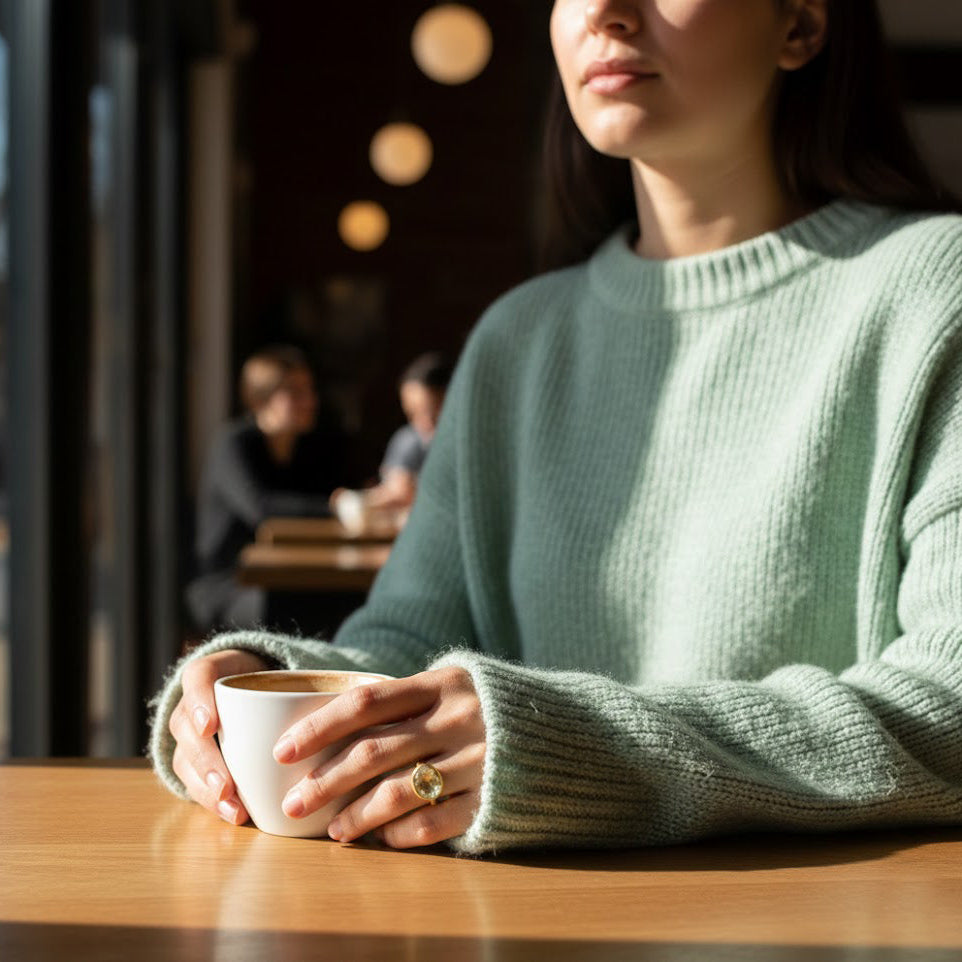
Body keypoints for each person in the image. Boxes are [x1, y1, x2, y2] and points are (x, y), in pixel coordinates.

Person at [152, 0, 962, 855]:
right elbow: (407, 643)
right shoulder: (518, 339)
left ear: (800, 22)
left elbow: (949, 698)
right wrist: (269, 698)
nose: (605, 12)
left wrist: (573, 750)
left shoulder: (933, 293)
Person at [186, 345, 346, 632]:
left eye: (309, 390)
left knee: (344, 602)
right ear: (261, 400)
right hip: (228, 584)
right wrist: (337, 506)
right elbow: (261, 508)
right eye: (295, 393)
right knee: (304, 614)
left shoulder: (305, 449)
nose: (310, 401)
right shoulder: (233, 443)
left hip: (283, 577)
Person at [331, 352, 453, 518]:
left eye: (433, 412)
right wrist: (363, 501)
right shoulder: (408, 440)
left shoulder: (468, 444)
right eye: (412, 413)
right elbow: (398, 490)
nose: (423, 423)